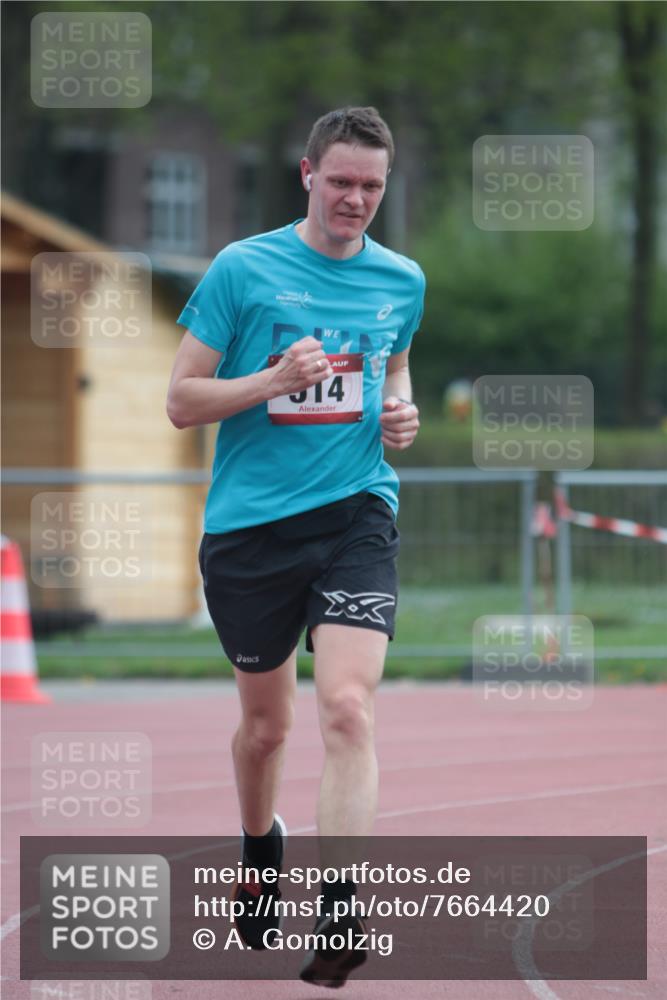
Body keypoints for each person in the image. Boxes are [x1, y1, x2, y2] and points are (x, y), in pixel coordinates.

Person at [167, 106, 425, 987]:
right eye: (342, 181)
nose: (355, 199)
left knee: (348, 708)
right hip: (250, 530)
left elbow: (392, 367)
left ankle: (343, 908)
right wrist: (274, 379)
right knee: (266, 732)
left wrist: (402, 413)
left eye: (372, 186)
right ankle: (256, 844)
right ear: (307, 174)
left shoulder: (403, 280)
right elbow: (181, 399)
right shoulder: (244, 269)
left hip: (356, 512)